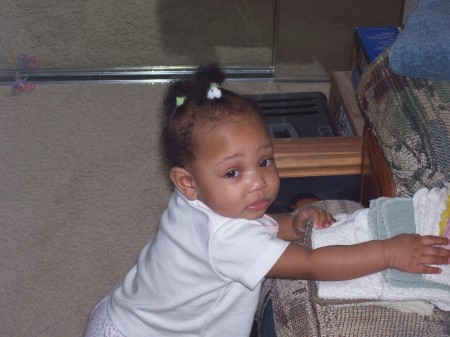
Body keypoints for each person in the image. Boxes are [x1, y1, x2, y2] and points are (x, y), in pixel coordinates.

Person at [84, 64, 450, 337]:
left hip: (122, 316)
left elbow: (252, 227)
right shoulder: (227, 240)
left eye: (264, 161)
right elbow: (311, 264)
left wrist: (292, 223)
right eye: (233, 173)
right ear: (187, 182)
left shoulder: (200, 201)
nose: (259, 182)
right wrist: (389, 252)